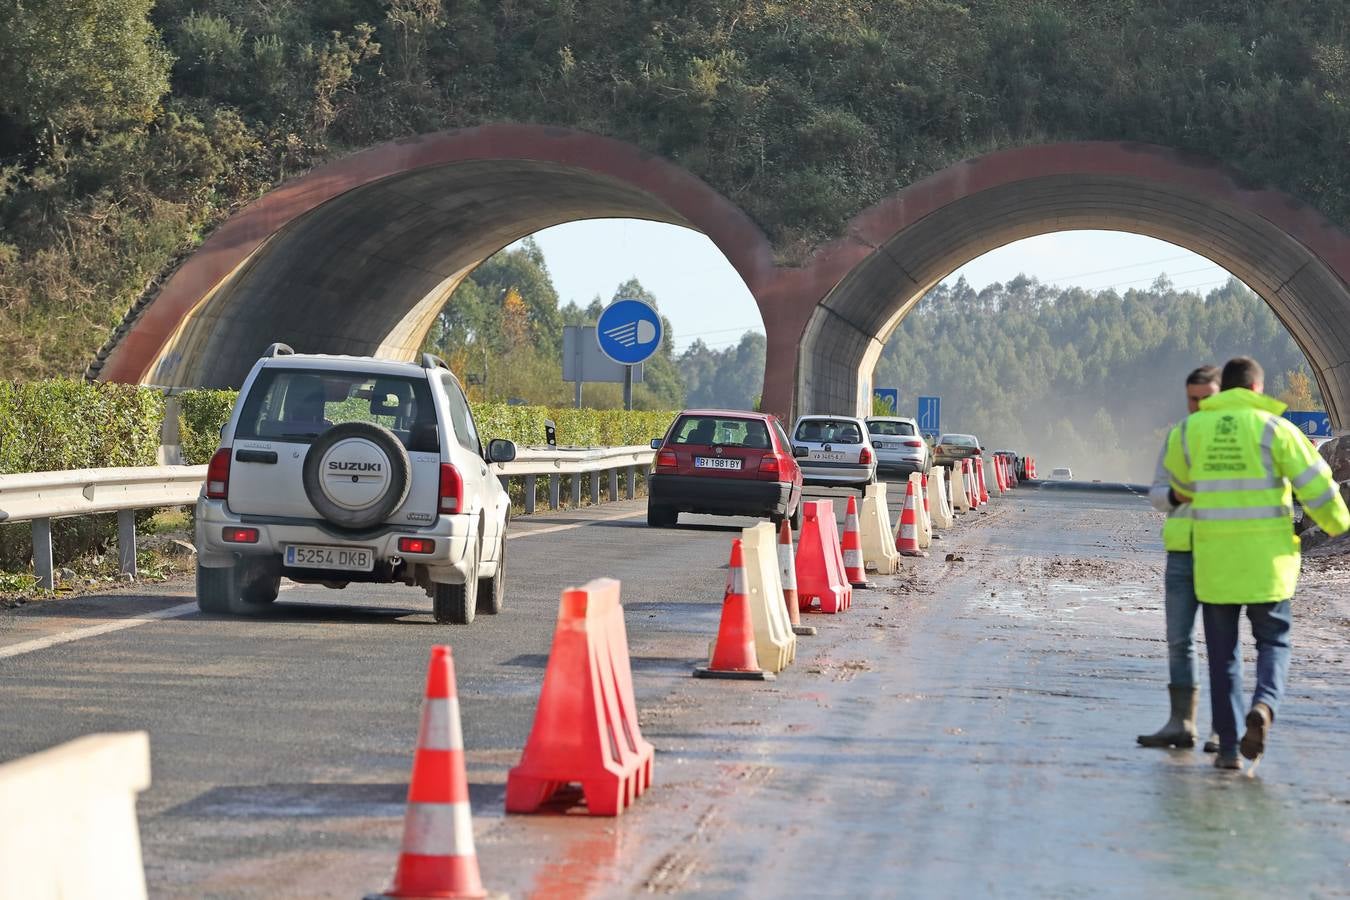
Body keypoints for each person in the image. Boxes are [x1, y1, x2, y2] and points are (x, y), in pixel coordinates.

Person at [1164, 357, 1349, 770]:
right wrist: (1338, 524)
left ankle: (1228, 750)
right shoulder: (1277, 431)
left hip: (1214, 566)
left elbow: (1178, 485)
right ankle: (1264, 706)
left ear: (1224, 390)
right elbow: (1318, 485)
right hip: (1269, 566)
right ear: (1258, 390)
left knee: (1223, 657)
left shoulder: (1190, 431)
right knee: (1274, 642)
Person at [1138, 365, 1220, 751]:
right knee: (1178, 640)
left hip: (1224, 551)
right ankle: (1181, 722)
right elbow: (1155, 492)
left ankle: (1224, 727)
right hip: (1182, 554)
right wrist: (1175, 497)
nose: (1199, 406)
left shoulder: (1233, 441)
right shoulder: (1179, 437)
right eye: (1193, 399)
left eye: (1207, 398)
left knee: (1223, 643)